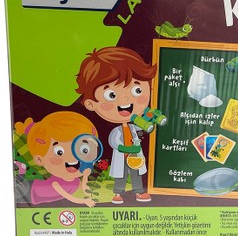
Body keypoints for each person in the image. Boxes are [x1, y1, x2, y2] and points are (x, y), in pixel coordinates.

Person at [76, 47, 157, 204]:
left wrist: (151, 123)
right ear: (90, 103)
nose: (125, 100)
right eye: (111, 95)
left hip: (135, 157)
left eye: (137, 90)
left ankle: (139, 192)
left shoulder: (133, 126)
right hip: (122, 156)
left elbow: (142, 128)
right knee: (121, 175)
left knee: (136, 174)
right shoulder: (116, 131)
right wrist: (126, 149)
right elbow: (114, 142)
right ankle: (118, 194)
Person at [14, 112, 97, 206]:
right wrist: (84, 201)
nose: (71, 157)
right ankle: (21, 169)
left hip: (36, 200)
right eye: (59, 152)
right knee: (17, 190)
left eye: (84, 150)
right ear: (39, 160)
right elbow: (68, 197)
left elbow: (85, 188)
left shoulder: (77, 181)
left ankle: (22, 169)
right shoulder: (56, 183)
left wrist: (86, 176)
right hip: (29, 191)